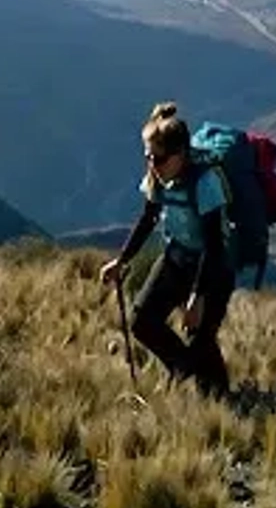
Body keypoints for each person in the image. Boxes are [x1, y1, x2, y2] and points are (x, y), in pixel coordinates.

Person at [99, 102, 236, 397]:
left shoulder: (205, 183)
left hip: (212, 268)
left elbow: (213, 244)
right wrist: (122, 261)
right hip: (176, 258)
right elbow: (148, 219)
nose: (153, 164)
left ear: (180, 154)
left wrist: (196, 297)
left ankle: (218, 399)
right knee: (142, 322)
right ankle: (185, 370)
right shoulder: (157, 180)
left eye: (159, 158)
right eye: (148, 157)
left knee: (201, 338)